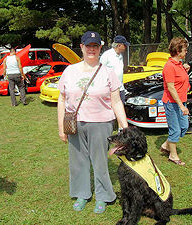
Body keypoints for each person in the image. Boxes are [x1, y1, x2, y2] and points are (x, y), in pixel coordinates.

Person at [57, 31, 128, 214]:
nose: (91, 49)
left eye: (95, 46)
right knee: (78, 162)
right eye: (88, 46)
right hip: (75, 123)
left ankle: (103, 196)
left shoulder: (108, 72)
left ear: (99, 49)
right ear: (81, 47)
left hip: (101, 123)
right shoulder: (69, 71)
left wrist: (124, 126)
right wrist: (60, 128)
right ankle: (82, 194)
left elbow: (116, 101)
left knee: (100, 162)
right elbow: (62, 100)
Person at [160, 37, 190, 166]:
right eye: (185, 49)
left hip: (181, 101)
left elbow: (181, 81)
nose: (186, 52)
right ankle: (173, 155)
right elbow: (171, 88)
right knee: (175, 130)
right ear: (178, 51)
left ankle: (166, 145)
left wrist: (185, 70)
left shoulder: (180, 65)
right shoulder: (169, 66)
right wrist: (181, 106)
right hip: (172, 103)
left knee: (184, 127)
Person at [100, 35, 130, 104]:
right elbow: (100, 72)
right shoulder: (106, 55)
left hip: (120, 89)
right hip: (110, 90)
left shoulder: (120, 56)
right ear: (119, 45)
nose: (126, 47)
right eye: (124, 45)